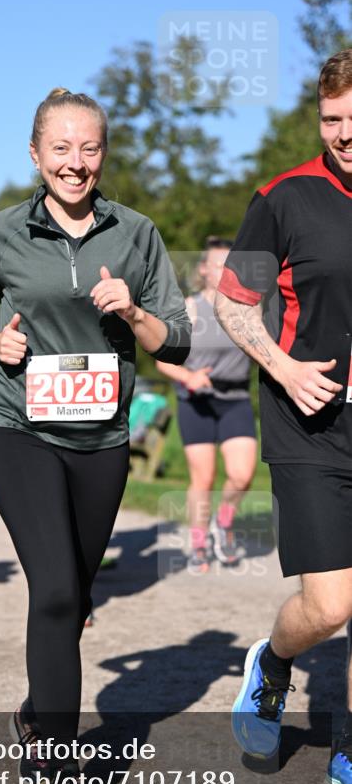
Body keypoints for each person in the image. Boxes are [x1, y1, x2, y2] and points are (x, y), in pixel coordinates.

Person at [0, 88, 190, 784]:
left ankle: (35, 713)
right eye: (60, 148)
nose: (75, 164)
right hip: (19, 427)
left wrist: (133, 311)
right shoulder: (1, 232)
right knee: (52, 592)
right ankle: (62, 767)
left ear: (102, 154)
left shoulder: (136, 234)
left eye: (88, 149)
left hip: (101, 441)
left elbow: (173, 339)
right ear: (34, 154)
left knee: (74, 601)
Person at [216, 50, 352, 784]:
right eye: (330, 120)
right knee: (331, 607)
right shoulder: (283, 196)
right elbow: (232, 302)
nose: (341, 134)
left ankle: (347, 751)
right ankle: (271, 664)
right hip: (311, 421)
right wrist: (285, 367)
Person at [156, 237, 257, 573]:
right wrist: (188, 378)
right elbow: (162, 360)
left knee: (242, 476)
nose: (224, 271)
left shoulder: (248, 309)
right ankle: (199, 541)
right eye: (217, 265)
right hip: (196, 399)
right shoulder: (189, 308)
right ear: (203, 269)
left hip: (236, 398)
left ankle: (222, 525)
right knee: (204, 476)